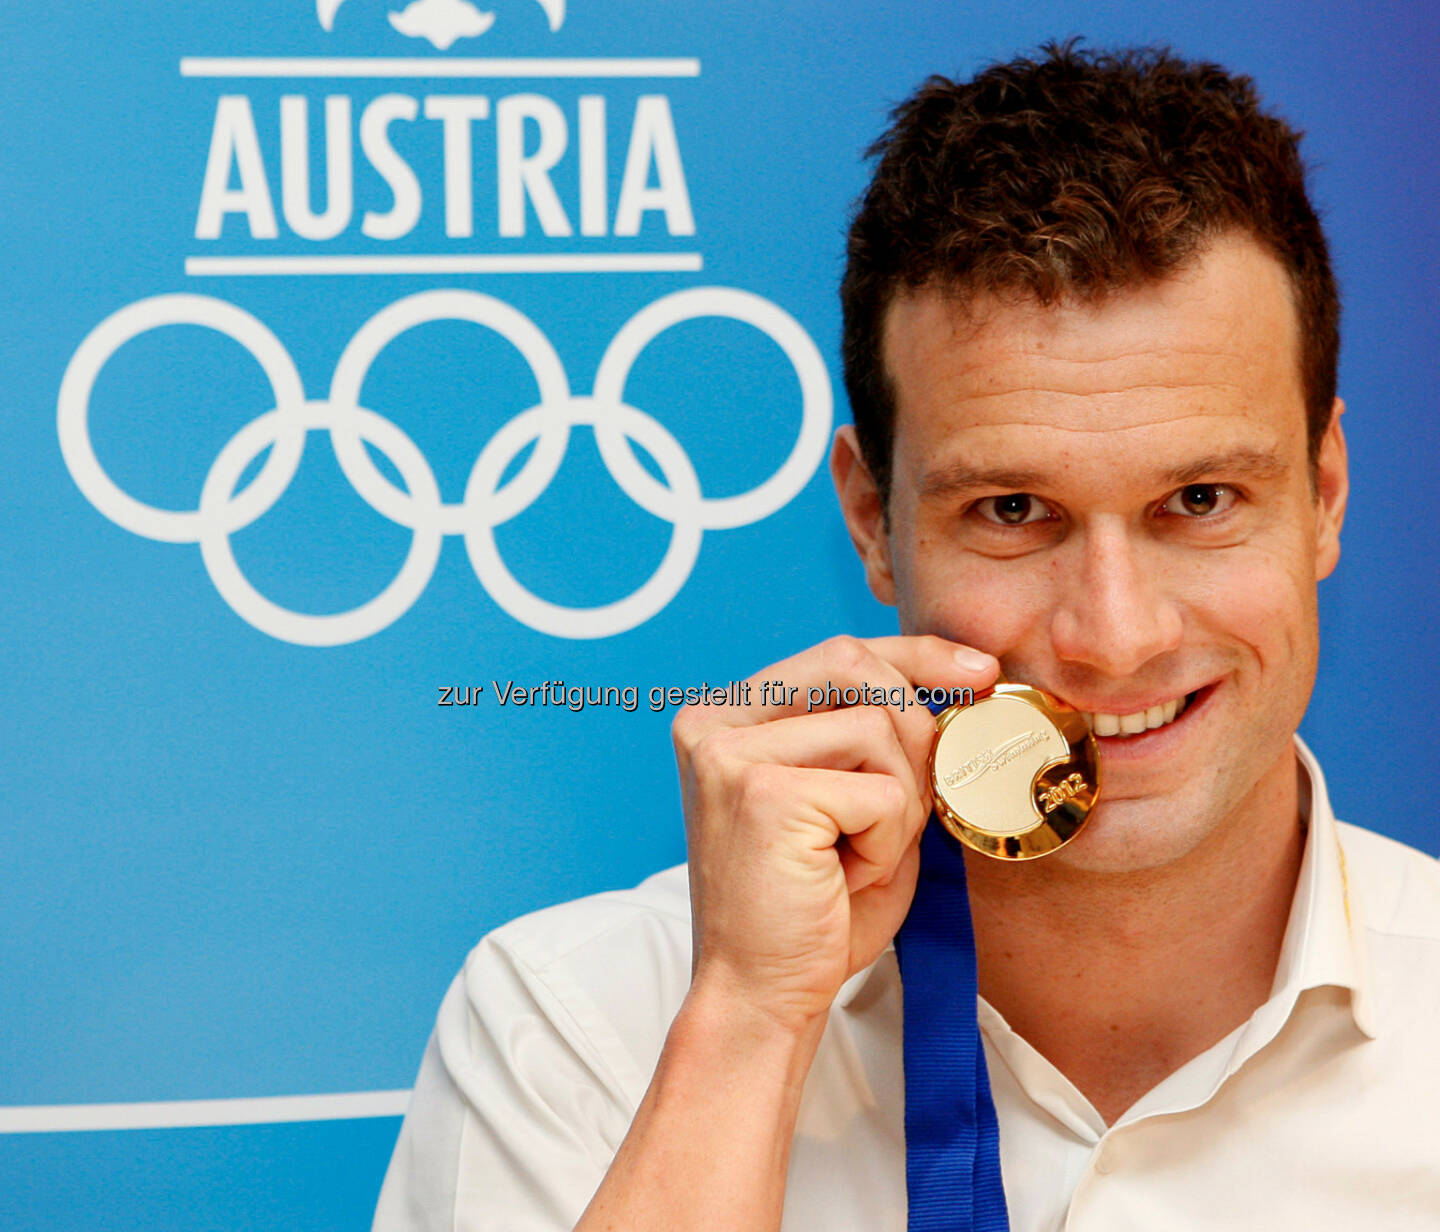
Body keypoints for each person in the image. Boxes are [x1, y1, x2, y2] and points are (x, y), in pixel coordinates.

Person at [373, 42, 1440, 1231]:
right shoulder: (570, 1024)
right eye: (1013, 511)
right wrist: (748, 1024)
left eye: (1197, 501)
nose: (1114, 635)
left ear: (1327, 490)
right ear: (873, 523)